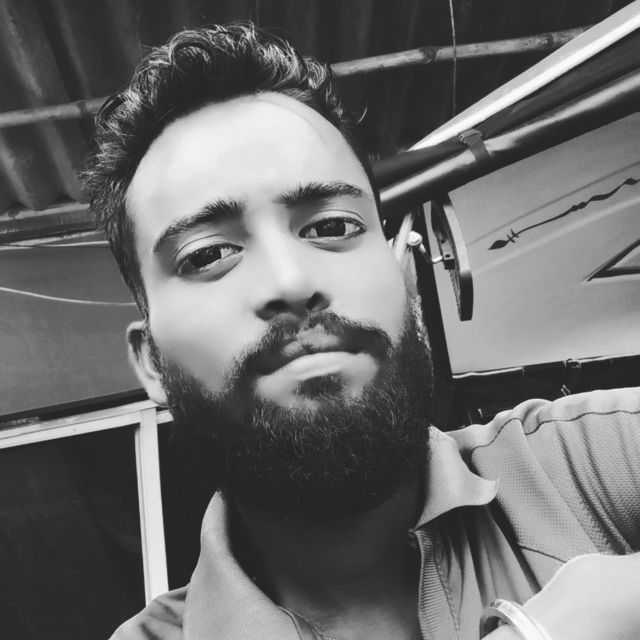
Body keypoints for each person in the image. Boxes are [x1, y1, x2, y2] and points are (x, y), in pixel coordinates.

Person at [85, 24, 640, 640]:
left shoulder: (590, 463)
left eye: (331, 227)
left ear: (406, 277)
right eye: (209, 254)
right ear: (152, 362)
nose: (292, 281)